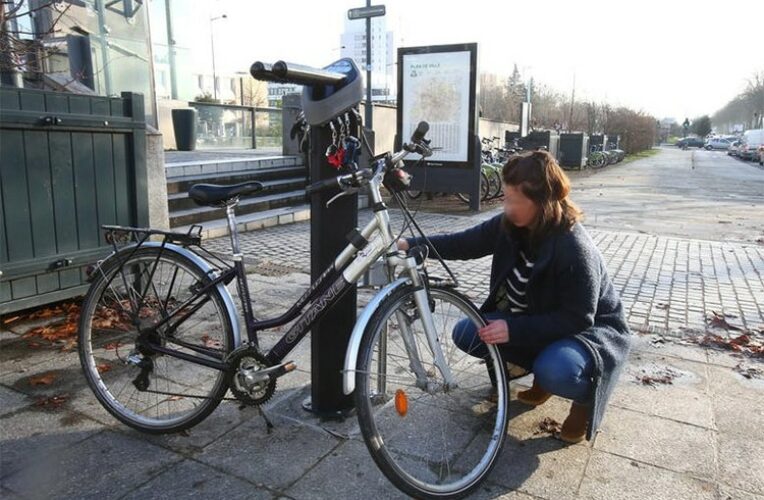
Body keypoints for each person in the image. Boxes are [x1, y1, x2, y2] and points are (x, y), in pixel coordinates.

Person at [397, 150, 631, 443]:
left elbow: (578, 318)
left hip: (589, 332)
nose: (506, 206)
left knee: (556, 370)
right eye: (505, 198)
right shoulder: (511, 224)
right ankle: (541, 371)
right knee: (468, 332)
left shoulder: (573, 247)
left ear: (541, 203)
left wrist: (513, 329)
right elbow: (465, 243)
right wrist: (412, 244)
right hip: (535, 318)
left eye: (513, 200)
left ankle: (584, 398)